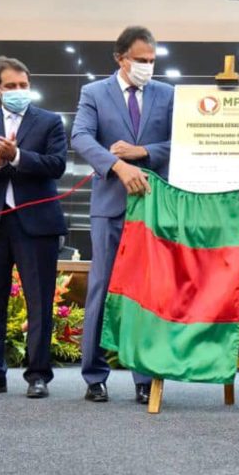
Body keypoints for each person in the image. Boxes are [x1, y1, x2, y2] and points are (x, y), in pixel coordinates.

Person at [72, 26, 174, 404]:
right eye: (140, 60)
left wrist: (142, 152)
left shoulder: (167, 94)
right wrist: (117, 165)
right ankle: (94, 376)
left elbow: (182, 142)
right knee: (101, 289)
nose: (147, 66)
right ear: (120, 58)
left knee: (147, 292)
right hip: (110, 206)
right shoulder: (94, 93)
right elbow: (81, 137)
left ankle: (144, 378)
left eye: (152, 60)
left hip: (153, 207)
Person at [0, 56, 68, 399]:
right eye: (11, 86)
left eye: (24, 85)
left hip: (37, 224)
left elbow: (57, 165)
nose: (19, 90)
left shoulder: (50, 122)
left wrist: (18, 156)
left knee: (40, 301)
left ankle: (38, 375)